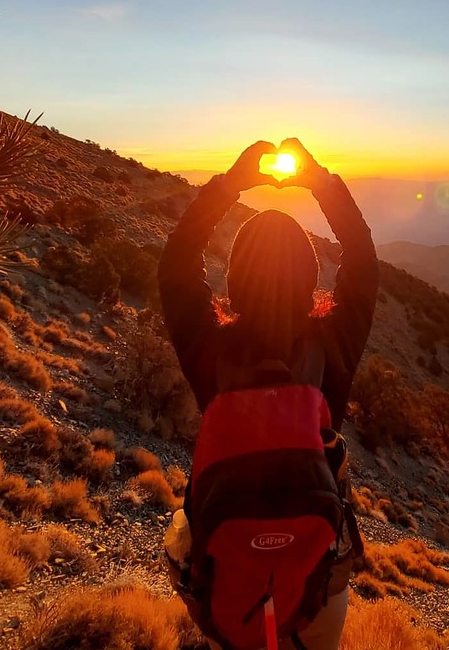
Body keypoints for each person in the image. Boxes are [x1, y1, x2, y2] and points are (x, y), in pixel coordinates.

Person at [158, 138, 379, 650]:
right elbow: (363, 261)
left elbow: (176, 264)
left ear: (233, 281)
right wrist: (322, 183)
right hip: (316, 584)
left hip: (225, 576)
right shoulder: (333, 347)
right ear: (310, 277)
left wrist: (230, 183)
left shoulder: (210, 351)